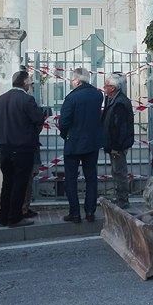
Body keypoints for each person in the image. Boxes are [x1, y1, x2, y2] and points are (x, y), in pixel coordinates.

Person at [0, 70, 47, 228]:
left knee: (7, 183)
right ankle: (14, 217)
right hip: (22, 149)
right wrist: (31, 137)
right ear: (25, 82)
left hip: (5, 149)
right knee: (19, 184)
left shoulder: (0, 100)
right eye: (30, 81)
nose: (31, 84)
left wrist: (3, 140)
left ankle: (3, 216)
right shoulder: (27, 100)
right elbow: (38, 119)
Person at [59, 67, 103, 223]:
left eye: (72, 80)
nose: (71, 82)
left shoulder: (71, 98)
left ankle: (75, 213)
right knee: (91, 178)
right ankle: (90, 212)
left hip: (74, 143)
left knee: (71, 179)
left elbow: (63, 122)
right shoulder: (98, 95)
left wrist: (66, 135)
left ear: (77, 80)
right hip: (92, 143)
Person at [102, 72, 135, 208]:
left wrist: (116, 146)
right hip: (113, 144)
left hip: (118, 146)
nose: (104, 88)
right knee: (116, 171)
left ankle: (123, 201)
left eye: (106, 86)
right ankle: (120, 198)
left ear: (113, 88)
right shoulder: (112, 99)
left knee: (119, 172)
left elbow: (120, 128)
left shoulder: (120, 102)